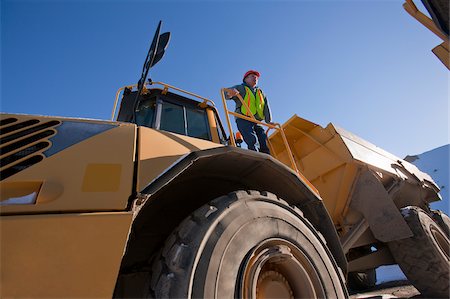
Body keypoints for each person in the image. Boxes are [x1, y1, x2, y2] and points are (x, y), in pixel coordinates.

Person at [226, 70, 272, 154]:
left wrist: (269, 121)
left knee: (263, 138)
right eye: (252, 76)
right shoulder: (241, 88)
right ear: (245, 79)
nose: (255, 78)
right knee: (252, 139)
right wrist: (231, 93)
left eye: (256, 77)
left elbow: (266, 107)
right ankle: (256, 156)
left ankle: (267, 158)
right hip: (243, 118)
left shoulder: (261, 92)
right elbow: (226, 92)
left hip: (256, 121)